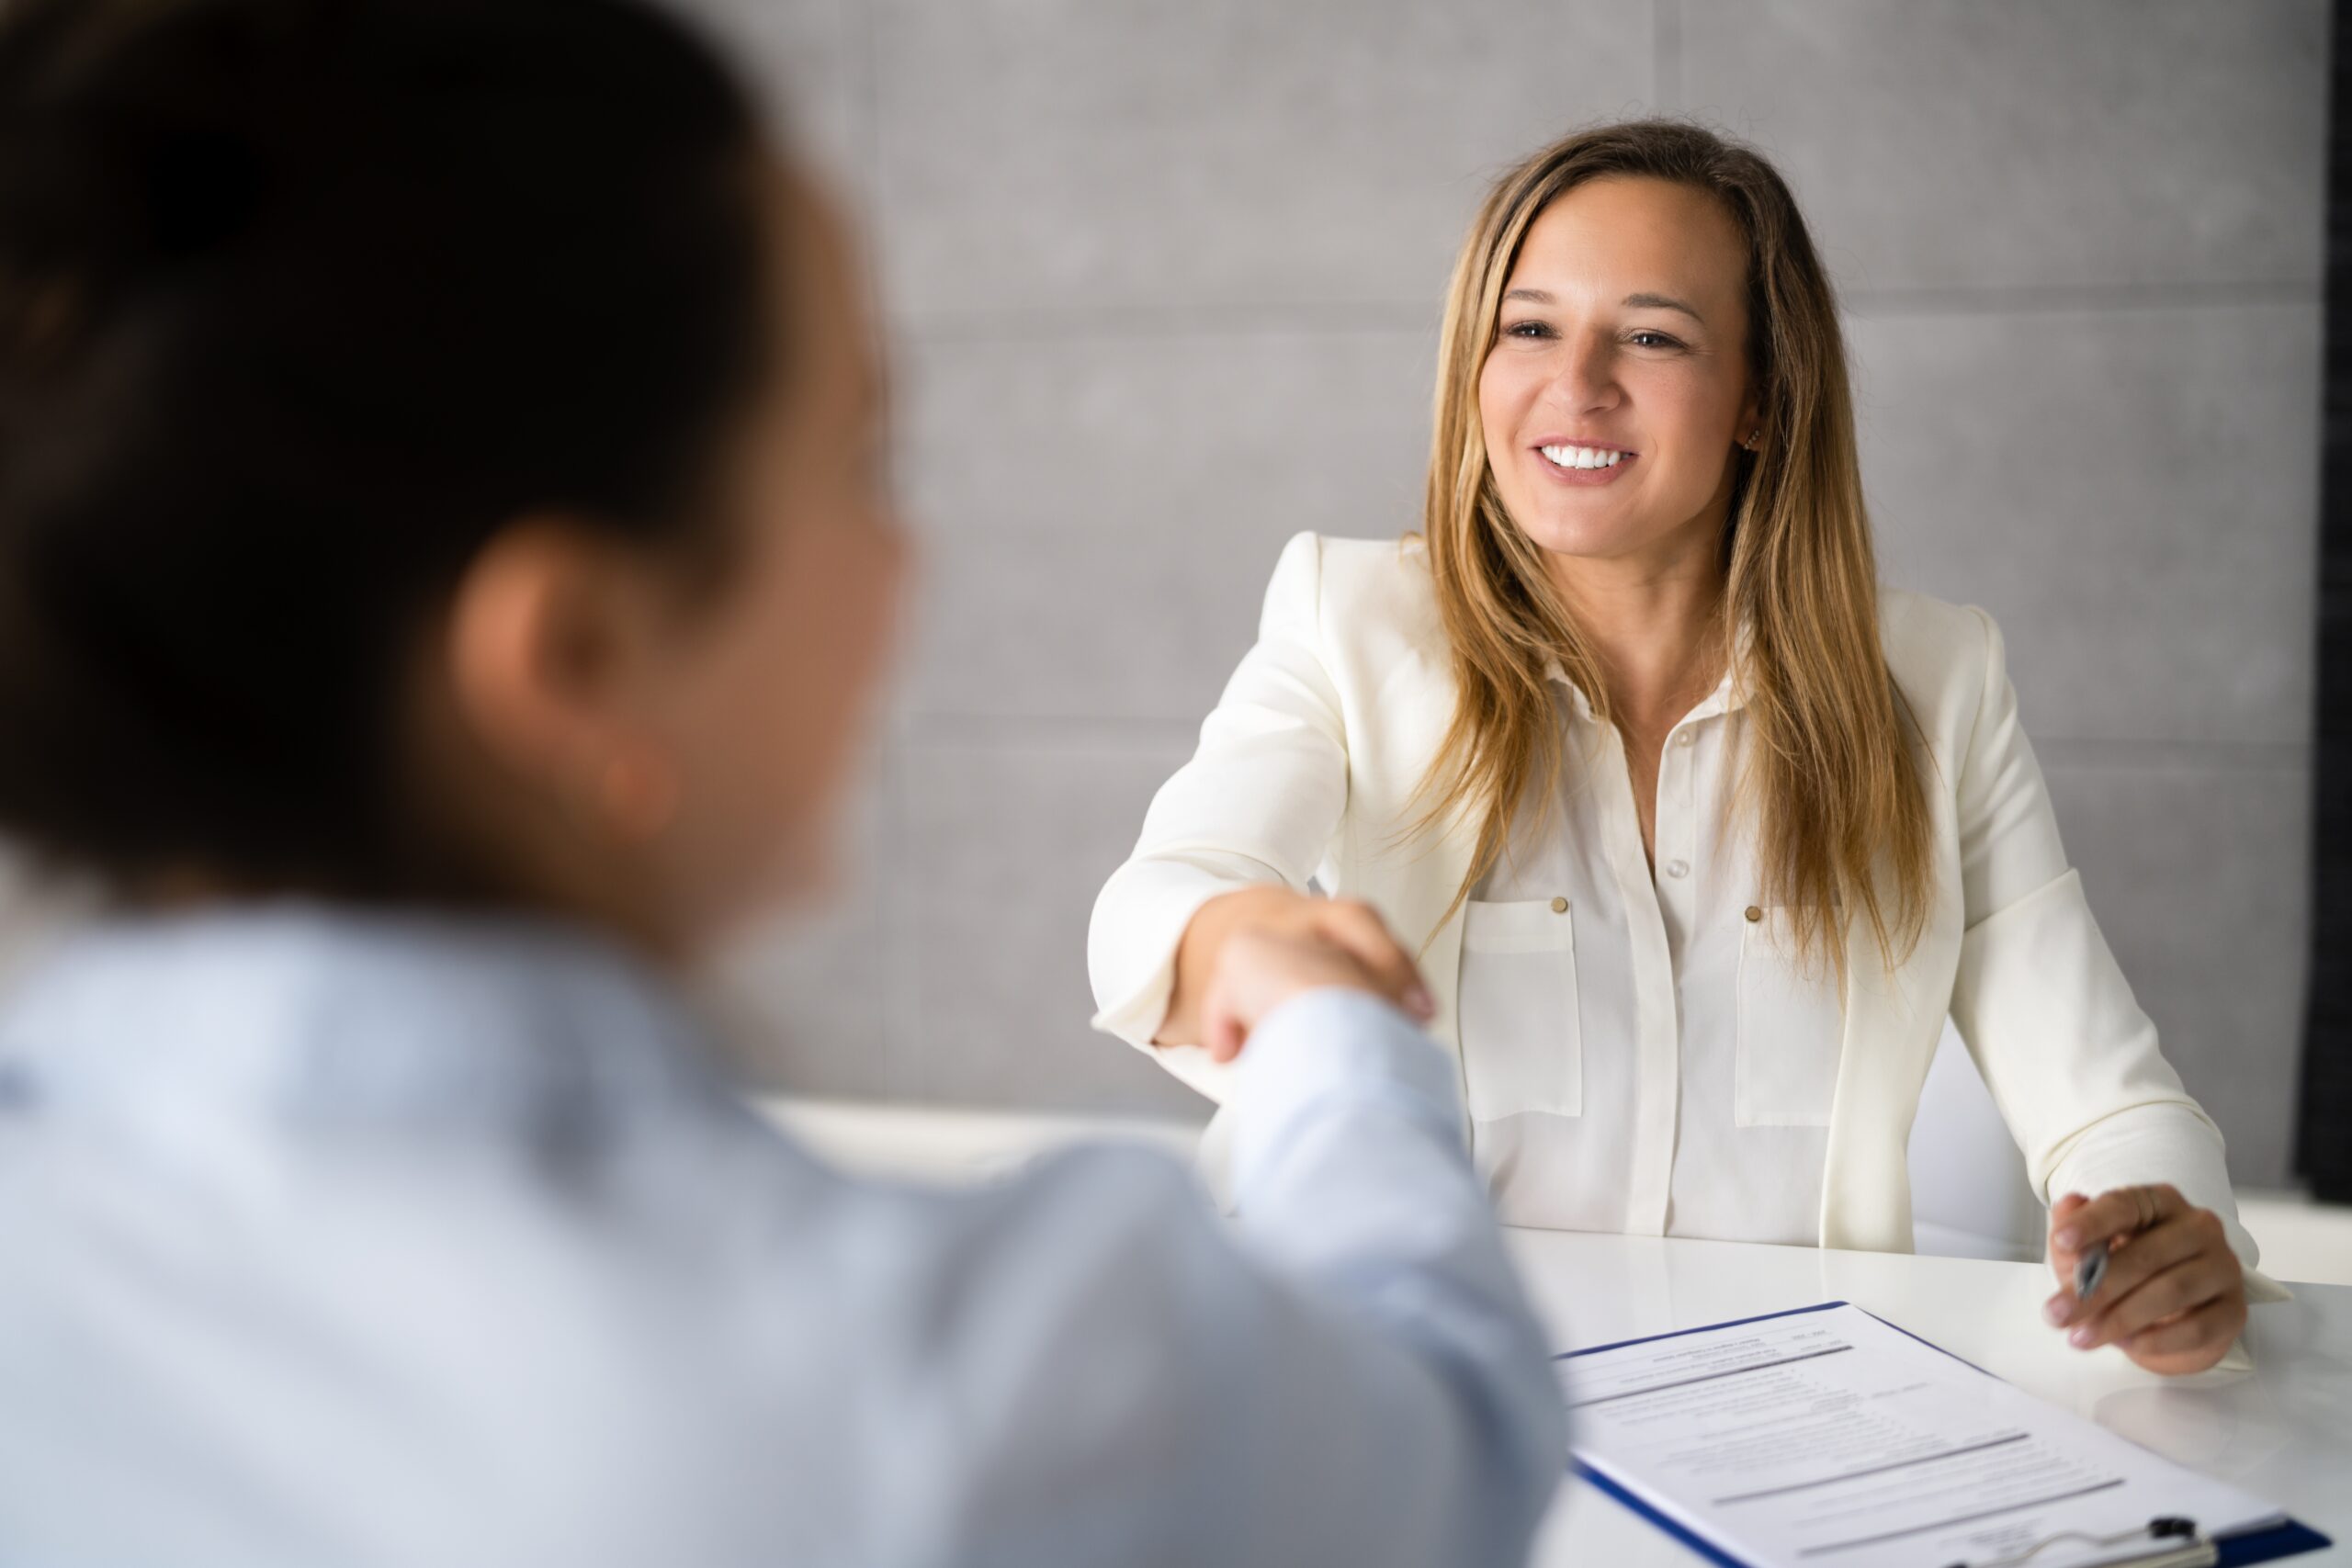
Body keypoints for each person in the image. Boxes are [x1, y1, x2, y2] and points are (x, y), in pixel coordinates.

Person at [0, 2, 1566, 1562]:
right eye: (861, 463)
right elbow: (1452, 1431)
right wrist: (1334, 1046)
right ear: (580, 651)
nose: (906, 557)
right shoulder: (966, 1406)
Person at [1090, 118, 2287, 1379]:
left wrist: (2163, 1243)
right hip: (1410, 1384)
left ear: (1764, 396)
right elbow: (1155, 902)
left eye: (1651, 336)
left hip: (1794, 1409)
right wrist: (1236, 942)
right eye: (1529, 326)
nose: (1576, 383)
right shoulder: (1346, 620)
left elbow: (2108, 1099)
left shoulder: (1937, 685)